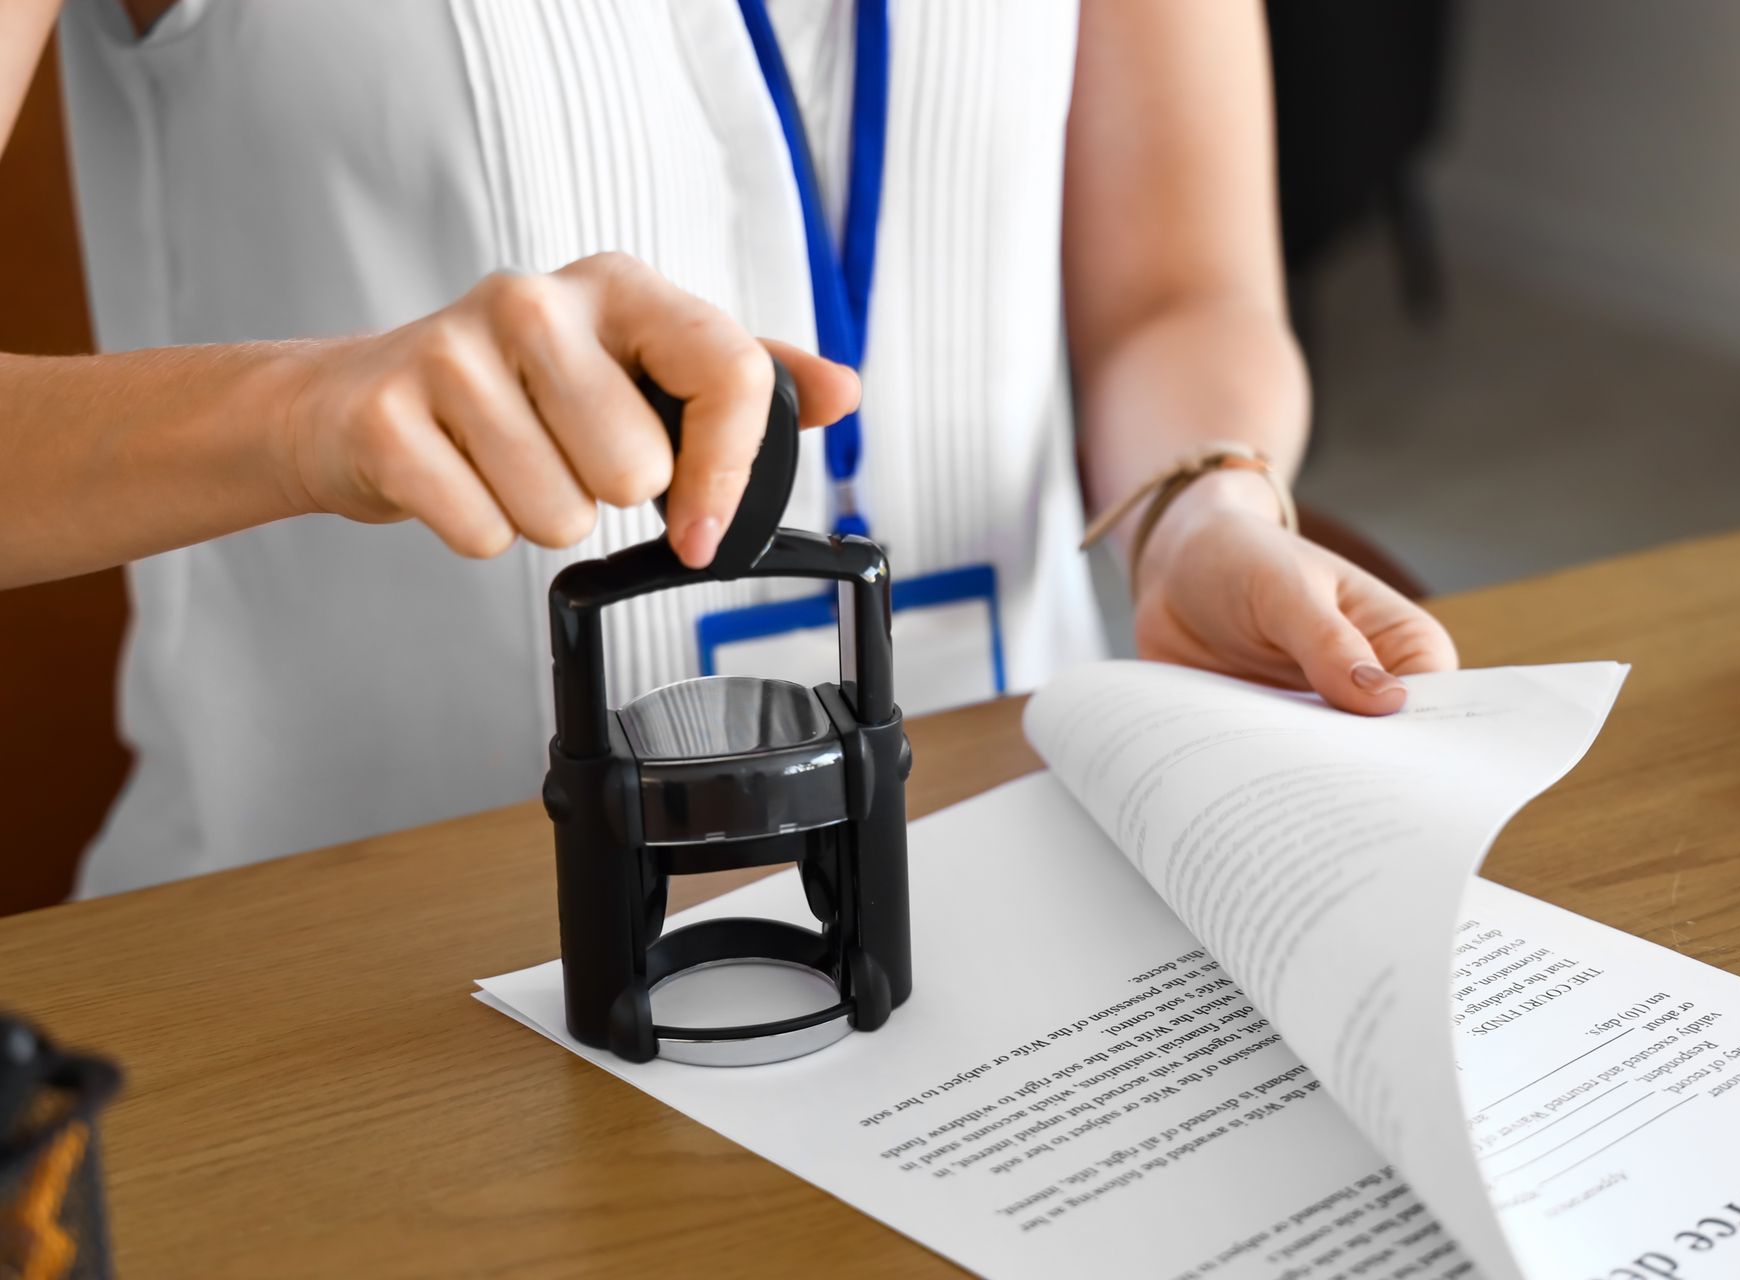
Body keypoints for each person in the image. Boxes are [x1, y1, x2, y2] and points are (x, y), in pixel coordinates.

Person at [0, 0, 1457, 897]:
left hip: (1030, 900)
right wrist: (303, 411)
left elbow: (1175, 291)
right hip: (382, 990)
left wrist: (1197, 506)